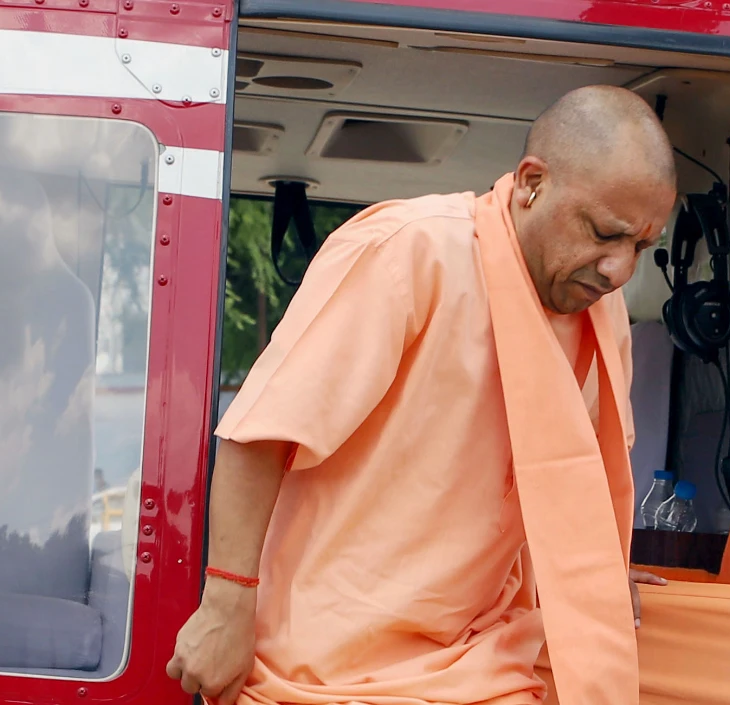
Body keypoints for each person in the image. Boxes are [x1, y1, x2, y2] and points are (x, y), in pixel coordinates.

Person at [166, 85, 678, 705]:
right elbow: (260, 435)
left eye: (640, 247)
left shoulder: (600, 312)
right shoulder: (409, 251)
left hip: (477, 659)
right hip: (322, 665)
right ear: (531, 183)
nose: (619, 270)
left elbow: (566, 477)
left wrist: (593, 569)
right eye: (603, 233)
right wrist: (225, 605)